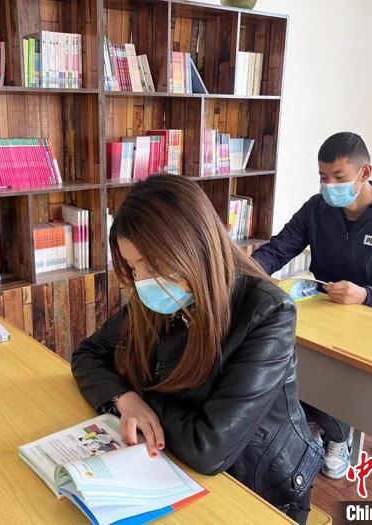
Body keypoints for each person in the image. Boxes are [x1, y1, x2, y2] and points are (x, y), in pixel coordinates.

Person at [71, 175, 323, 524]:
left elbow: (210, 448)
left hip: (260, 487)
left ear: (190, 247)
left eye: (150, 264)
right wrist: (125, 399)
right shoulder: (163, 294)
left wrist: (143, 400)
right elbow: (87, 353)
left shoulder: (267, 313)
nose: (142, 280)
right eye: (133, 267)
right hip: (176, 470)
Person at [252, 131, 372, 480]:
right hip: (321, 312)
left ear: (364, 173)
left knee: (321, 371)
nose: (329, 186)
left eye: (338, 177)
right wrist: (244, 272)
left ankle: (338, 434)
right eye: (323, 177)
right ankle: (313, 422)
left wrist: (366, 296)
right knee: (277, 351)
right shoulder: (317, 208)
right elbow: (278, 249)